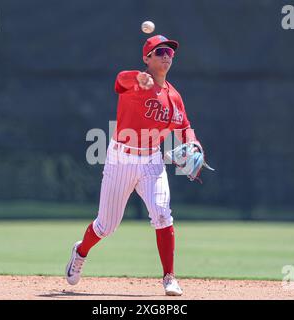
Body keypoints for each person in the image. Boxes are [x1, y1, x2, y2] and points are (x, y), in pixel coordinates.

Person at [65, 35, 201, 296]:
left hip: (152, 159)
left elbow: (184, 128)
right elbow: (120, 79)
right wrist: (137, 78)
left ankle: (169, 277)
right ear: (147, 58)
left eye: (170, 52)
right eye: (160, 51)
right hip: (121, 158)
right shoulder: (135, 83)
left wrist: (193, 144)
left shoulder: (174, 96)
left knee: (162, 214)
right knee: (106, 226)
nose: (166, 55)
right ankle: (80, 251)